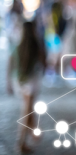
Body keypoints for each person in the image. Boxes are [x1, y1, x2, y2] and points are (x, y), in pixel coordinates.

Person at [6, 21, 46, 153]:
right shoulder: (36, 45)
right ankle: (21, 142)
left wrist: (9, 82)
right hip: (32, 83)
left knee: (28, 110)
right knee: (27, 111)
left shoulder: (17, 45)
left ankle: (30, 135)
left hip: (19, 81)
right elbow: (43, 63)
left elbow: (10, 64)